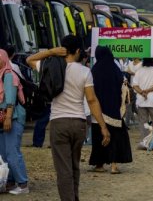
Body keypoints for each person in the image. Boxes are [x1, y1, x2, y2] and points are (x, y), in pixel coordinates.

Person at [26, 35, 111, 201]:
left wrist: (51, 52)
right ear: (78, 51)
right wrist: (103, 126)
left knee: (63, 169)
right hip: (79, 123)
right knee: (74, 166)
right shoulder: (85, 72)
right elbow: (92, 100)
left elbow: (30, 59)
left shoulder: (49, 66)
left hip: (59, 122)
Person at [89, 46, 132, 174]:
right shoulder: (115, 69)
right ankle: (114, 166)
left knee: (98, 137)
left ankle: (99, 165)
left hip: (98, 110)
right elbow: (123, 86)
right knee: (115, 137)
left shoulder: (94, 70)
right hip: (113, 110)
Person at [0, 49, 29, 195]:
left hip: (12, 117)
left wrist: (8, 118)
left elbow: (10, 100)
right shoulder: (1, 75)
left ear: (3, 59)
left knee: (12, 152)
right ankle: (9, 181)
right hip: (4, 118)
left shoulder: (9, 76)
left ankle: (23, 184)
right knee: (4, 153)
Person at [132, 58, 153, 141]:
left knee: (143, 122)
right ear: (152, 61)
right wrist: (148, 91)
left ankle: (145, 141)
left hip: (141, 100)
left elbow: (134, 85)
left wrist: (142, 92)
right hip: (152, 101)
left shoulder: (139, 71)